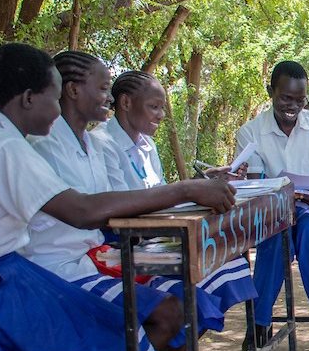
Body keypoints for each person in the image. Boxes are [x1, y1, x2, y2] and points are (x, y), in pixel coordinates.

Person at [0, 42, 236, 351]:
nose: (58, 107)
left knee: (106, 326)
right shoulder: (4, 146)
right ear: (28, 98)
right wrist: (185, 189)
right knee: (101, 343)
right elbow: (81, 211)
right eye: (54, 96)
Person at [94, 69, 257, 327]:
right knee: (202, 262)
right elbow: (121, 208)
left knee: (227, 258)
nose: (160, 115)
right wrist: (187, 190)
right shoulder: (102, 144)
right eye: (154, 107)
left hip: (153, 238)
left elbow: (159, 193)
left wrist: (208, 181)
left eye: (162, 107)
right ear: (125, 103)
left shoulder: (147, 144)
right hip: (122, 247)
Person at [234, 60, 309, 351]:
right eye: (286, 98)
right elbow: (254, 187)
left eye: (300, 100)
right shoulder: (251, 132)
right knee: (275, 237)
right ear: (271, 92)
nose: (293, 106)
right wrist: (281, 200)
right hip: (272, 211)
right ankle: (257, 333)